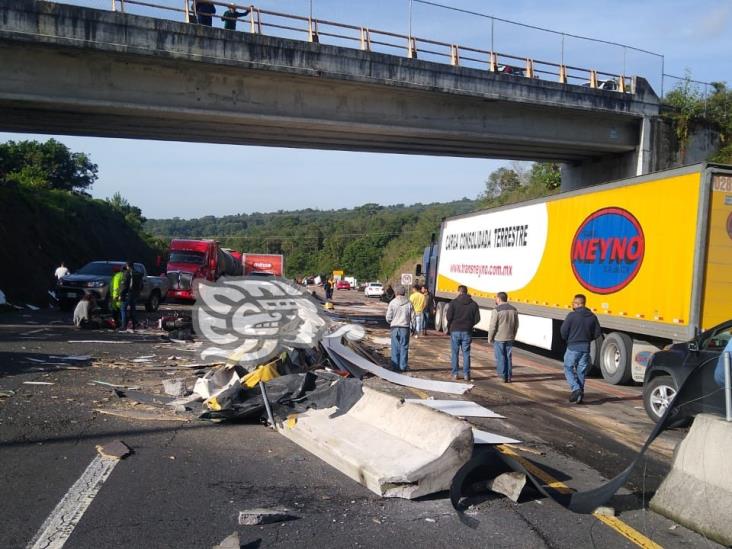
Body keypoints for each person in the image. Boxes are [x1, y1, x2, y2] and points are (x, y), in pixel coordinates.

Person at [560, 294, 602, 404]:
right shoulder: (592, 316)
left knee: (568, 368)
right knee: (581, 372)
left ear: (578, 304)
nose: (572, 305)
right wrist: (588, 339)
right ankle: (580, 396)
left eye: (573, 303)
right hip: (586, 348)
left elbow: (563, 331)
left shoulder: (572, 316)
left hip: (573, 347)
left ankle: (576, 389)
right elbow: (597, 333)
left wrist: (568, 339)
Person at [446, 285, 481, 381]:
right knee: (466, 353)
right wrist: (470, 324)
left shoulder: (453, 303)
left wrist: (451, 324)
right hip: (467, 331)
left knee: (455, 353)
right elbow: (477, 319)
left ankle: (455, 374)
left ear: (460, 292)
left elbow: (448, 317)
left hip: (455, 330)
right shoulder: (474, 304)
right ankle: (466, 374)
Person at [487, 291, 519, 383]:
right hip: (510, 337)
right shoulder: (514, 309)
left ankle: (502, 375)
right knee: (508, 356)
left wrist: (490, 337)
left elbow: (493, 326)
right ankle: (509, 376)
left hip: (499, 338)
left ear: (499, 299)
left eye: (496, 298)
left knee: (500, 357)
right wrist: (513, 335)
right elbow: (516, 325)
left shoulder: (496, 310)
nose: (495, 300)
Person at [385, 285, 413, 372]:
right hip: (405, 328)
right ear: (404, 293)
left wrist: (392, 322)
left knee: (395, 347)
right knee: (404, 347)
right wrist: (413, 328)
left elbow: (388, 317)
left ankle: (395, 366)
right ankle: (403, 366)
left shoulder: (392, 302)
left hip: (394, 327)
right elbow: (413, 317)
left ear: (396, 293)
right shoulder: (409, 303)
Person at [119, 262, 143, 332]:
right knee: (133, 309)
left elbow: (124, 285)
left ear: (127, 266)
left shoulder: (127, 273)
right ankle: (134, 325)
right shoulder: (138, 274)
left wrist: (121, 294)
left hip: (127, 294)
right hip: (135, 294)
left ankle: (124, 326)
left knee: (123, 308)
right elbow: (141, 285)